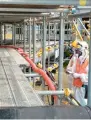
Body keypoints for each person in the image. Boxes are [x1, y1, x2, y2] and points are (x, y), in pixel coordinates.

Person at [66, 40, 89, 106]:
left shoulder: (88, 60)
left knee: (83, 105)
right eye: (76, 51)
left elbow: (87, 78)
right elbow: (70, 69)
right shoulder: (78, 60)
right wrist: (71, 72)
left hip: (84, 87)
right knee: (76, 103)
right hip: (76, 86)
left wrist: (80, 76)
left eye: (78, 51)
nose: (76, 53)